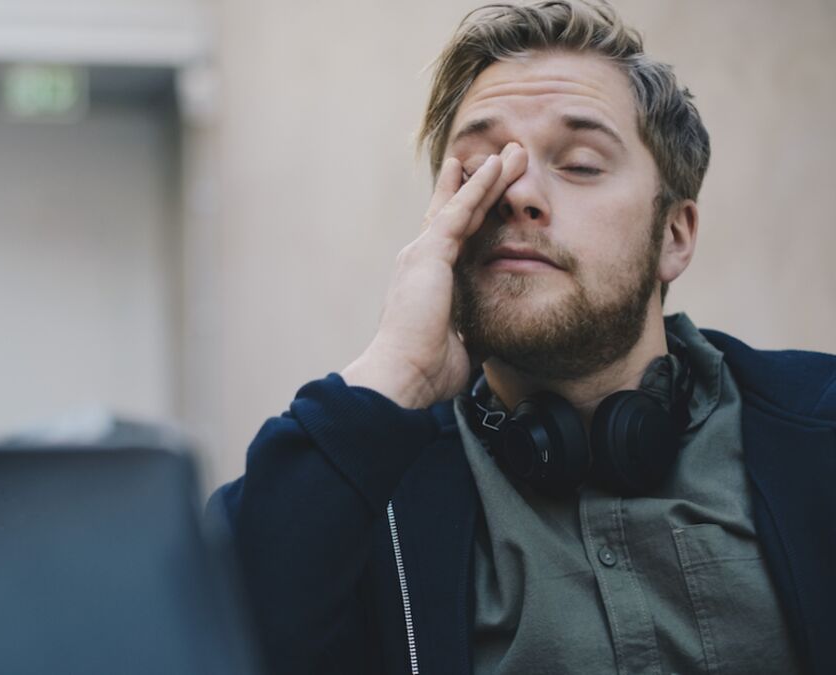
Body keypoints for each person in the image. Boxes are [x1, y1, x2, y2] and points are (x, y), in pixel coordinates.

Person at [208, 2, 835, 674]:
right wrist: (397, 372)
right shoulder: (364, 499)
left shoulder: (819, 425)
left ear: (675, 234)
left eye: (582, 163)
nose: (516, 193)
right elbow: (209, 630)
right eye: (481, 168)